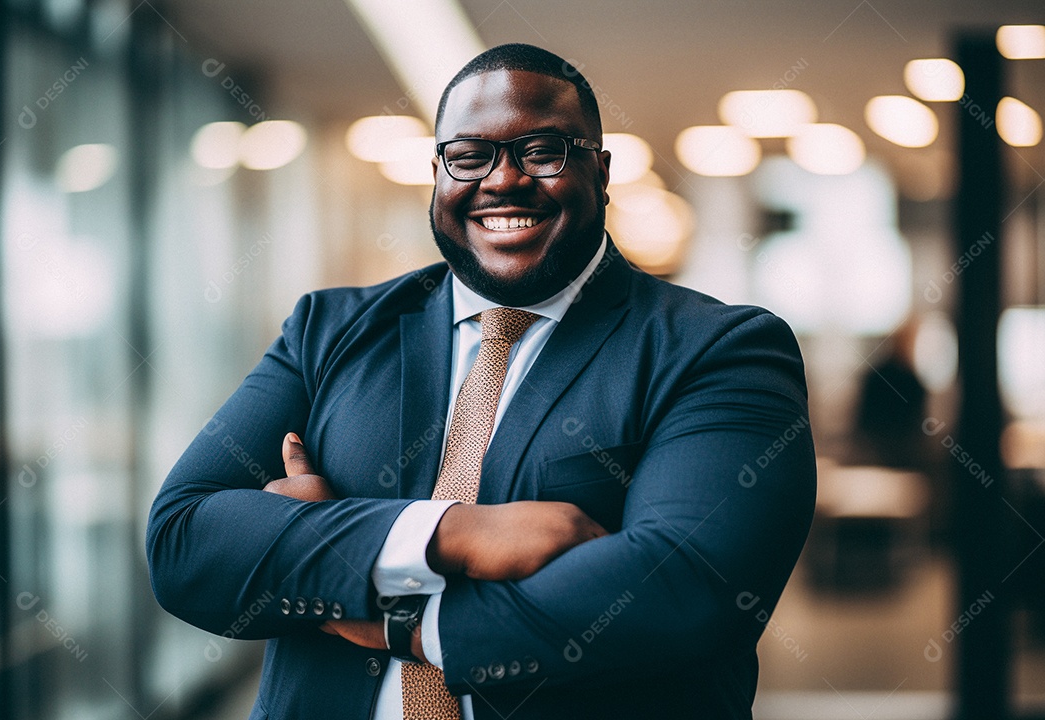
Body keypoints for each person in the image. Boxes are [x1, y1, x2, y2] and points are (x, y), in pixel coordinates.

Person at [147, 43, 816, 719]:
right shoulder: (329, 329)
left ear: (601, 170)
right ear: (437, 172)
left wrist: (386, 611)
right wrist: (449, 536)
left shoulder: (718, 349)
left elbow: (687, 592)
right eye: (470, 156)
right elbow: (185, 541)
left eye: (543, 151)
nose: (503, 181)